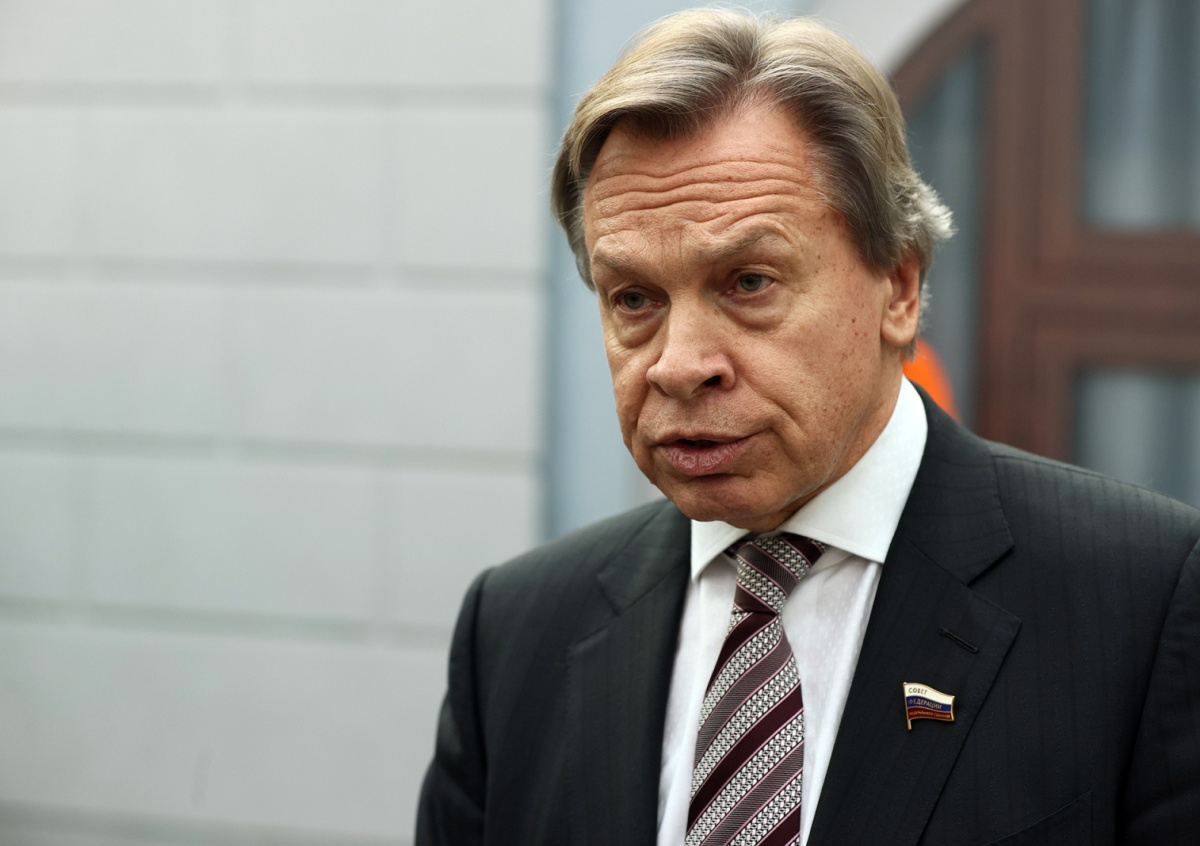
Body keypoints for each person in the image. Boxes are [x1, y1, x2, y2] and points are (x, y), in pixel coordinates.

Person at [417, 9, 1200, 845]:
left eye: (748, 282)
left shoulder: (1142, 601)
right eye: (634, 299)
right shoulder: (515, 631)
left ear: (898, 288)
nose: (679, 365)